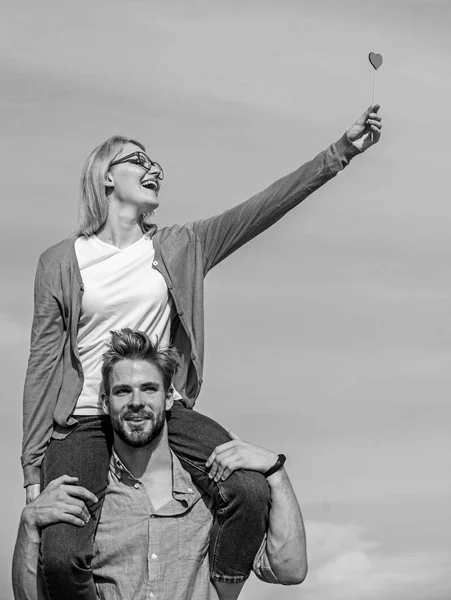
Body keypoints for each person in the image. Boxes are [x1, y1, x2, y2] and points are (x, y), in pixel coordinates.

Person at [21, 105, 382, 600]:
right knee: (61, 553)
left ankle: (223, 590)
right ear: (107, 176)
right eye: (139, 160)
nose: (154, 170)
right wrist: (32, 473)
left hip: (163, 409)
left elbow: (261, 209)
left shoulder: (181, 245)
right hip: (84, 417)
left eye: (156, 165)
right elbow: (43, 362)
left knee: (249, 490)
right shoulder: (61, 261)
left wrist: (339, 153)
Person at [13, 329, 308, 600]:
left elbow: (290, 570)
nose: (136, 401)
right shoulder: (86, 496)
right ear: (104, 403)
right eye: (123, 391)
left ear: (169, 398)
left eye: (149, 389)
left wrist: (275, 471)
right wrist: (29, 524)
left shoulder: (213, 489)